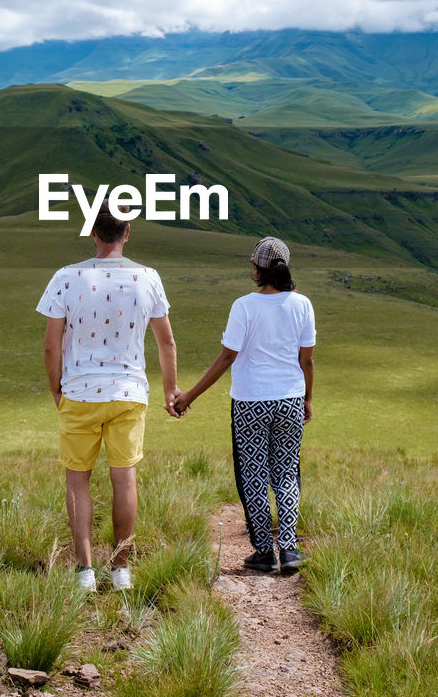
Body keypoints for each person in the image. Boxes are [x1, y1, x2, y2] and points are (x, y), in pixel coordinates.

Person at [37, 201, 181, 592]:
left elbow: (51, 346)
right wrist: (170, 388)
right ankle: (121, 570)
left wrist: (56, 388)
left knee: (77, 480)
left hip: (79, 391)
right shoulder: (148, 277)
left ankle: (84, 572)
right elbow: (165, 340)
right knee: (125, 480)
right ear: (127, 232)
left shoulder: (66, 277)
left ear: (93, 233)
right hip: (129, 392)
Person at [173, 236, 315, 574]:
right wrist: (308, 398)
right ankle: (290, 548)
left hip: (250, 401)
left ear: (256, 270)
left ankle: (264, 552)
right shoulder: (303, 305)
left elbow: (226, 357)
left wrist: (188, 397)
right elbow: (307, 361)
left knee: (252, 473)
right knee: (286, 471)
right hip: (290, 399)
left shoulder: (244, 306)